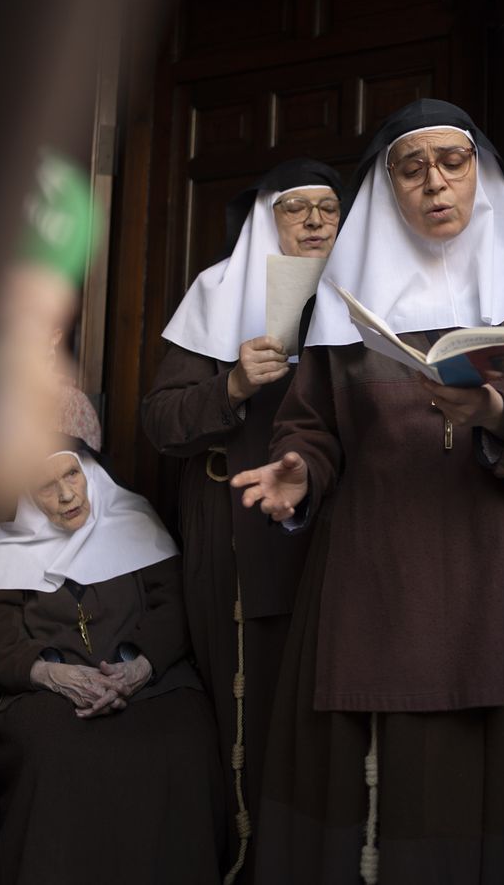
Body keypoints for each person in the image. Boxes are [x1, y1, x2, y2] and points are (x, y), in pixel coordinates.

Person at [232, 99, 504, 884]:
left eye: (453, 163)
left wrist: (498, 413)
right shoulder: (346, 305)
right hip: (379, 575)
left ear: (481, 173)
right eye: (411, 169)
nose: (435, 183)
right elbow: (312, 426)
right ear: (389, 188)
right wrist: (299, 468)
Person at [141, 156, 342, 882]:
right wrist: (229, 385)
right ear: (265, 219)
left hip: (339, 531)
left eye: (329, 208)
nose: (315, 221)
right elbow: (160, 422)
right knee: (254, 712)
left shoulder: (369, 286)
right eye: (297, 208)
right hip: (240, 536)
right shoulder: (217, 293)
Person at [0, 446, 224, 884]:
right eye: (46, 487)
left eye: (72, 475)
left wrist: (139, 666)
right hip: (49, 687)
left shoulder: (134, 522)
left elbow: (174, 606)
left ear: (90, 473)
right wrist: (51, 674)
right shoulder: (6, 550)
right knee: (54, 753)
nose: (66, 495)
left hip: (146, 677)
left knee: (182, 741)